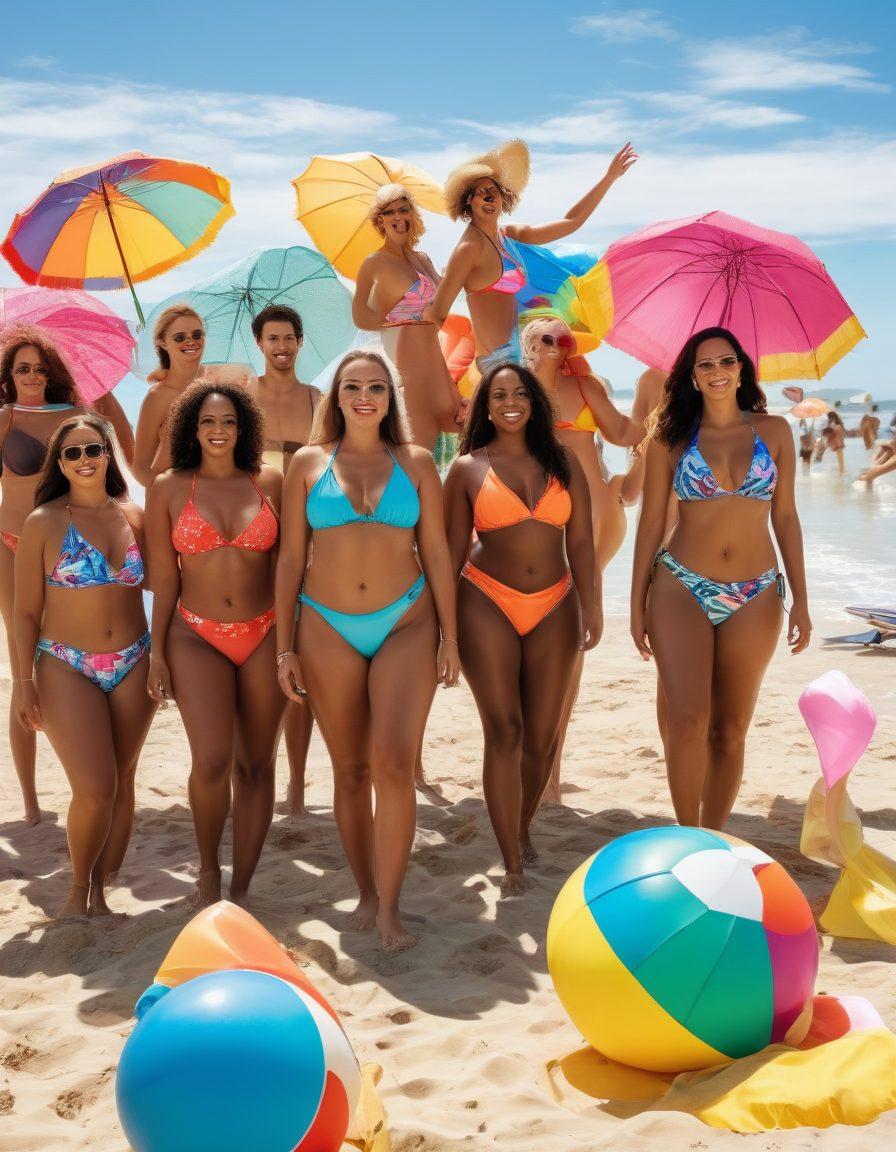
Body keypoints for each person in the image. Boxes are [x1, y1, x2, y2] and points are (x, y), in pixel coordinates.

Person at [274, 350, 459, 951]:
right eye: (352, 386)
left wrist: (449, 636)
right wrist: (284, 648)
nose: (364, 396)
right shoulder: (306, 463)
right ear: (336, 395)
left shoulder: (417, 463)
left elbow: (435, 553)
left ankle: (392, 906)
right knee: (351, 770)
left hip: (406, 619)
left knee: (393, 763)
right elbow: (288, 560)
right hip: (325, 624)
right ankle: (366, 891)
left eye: (376, 387)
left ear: (390, 398)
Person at [631, 327, 811, 830]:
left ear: (741, 369)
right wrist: (634, 603)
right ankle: (688, 833)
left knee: (730, 729)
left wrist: (801, 598)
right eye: (705, 364)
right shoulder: (671, 438)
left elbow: (788, 518)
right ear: (691, 376)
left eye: (725, 361)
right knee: (688, 720)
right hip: (680, 585)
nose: (716, 372)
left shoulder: (775, 432)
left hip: (756, 591)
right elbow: (649, 523)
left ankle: (714, 837)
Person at [444, 363, 597, 896]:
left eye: (520, 393)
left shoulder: (565, 461)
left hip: (557, 602)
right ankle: (511, 858)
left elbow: (581, 543)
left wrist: (593, 607)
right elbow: (449, 554)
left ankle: (523, 825)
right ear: (485, 406)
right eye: (499, 395)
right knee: (504, 731)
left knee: (542, 737)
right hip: (486, 600)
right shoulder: (466, 468)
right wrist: (445, 630)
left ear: (534, 401)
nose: (510, 402)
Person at [145, 382, 284, 908]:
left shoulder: (269, 480)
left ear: (243, 426)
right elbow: (164, 579)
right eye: (207, 422)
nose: (219, 431)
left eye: (228, 421)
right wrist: (157, 651)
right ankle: (207, 869)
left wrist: (291, 645)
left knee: (257, 764)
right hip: (194, 634)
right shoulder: (169, 487)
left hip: (265, 629)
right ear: (191, 429)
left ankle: (243, 884)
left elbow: (287, 570)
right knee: (211, 761)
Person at [13, 413, 154, 917]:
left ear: (108, 455)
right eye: (71, 453)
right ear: (60, 463)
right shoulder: (45, 521)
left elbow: (172, 582)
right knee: (96, 788)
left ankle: (101, 890)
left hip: (135, 659)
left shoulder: (134, 516)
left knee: (124, 781)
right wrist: (23, 682)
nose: (84, 460)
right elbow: (26, 612)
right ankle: (76, 892)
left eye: (93, 449)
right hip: (65, 664)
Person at [0, 326, 132, 825]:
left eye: (39, 367)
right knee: (22, 659)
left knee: (63, 651)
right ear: (9, 377)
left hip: (69, 550)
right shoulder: (6, 416)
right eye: (22, 368)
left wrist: (104, 390)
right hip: (11, 545)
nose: (32, 376)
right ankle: (31, 803)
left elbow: (124, 452)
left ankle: (93, 769)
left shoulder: (78, 416)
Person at [521, 316, 643, 799]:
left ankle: (549, 774)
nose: (558, 346)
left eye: (564, 339)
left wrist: (661, 413)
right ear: (529, 345)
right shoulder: (516, 392)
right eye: (547, 339)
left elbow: (622, 432)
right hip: (538, 519)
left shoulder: (585, 383)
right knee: (542, 637)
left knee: (568, 640)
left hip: (595, 515)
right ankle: (538, 762)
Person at [426, 140, 637, 373]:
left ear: (502, 196)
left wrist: (609, 177)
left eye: (493, 191)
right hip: (498, 362)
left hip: (524, 355)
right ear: (469, 200)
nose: (488, 197)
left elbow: (570, 222)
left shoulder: (508, 235)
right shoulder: (469, 248)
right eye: (481, 193)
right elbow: (437, 314)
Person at [251, 303, 322, 820]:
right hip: (248, 550)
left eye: (289, 338)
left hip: (304, 548)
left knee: (301, 669)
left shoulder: (319, 402)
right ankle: (258, 778)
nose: (281, 346)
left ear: (299, 342)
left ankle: (296, 786)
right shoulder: (241, 399)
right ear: (260, 344)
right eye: (272, 338)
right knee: (258, 673)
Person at [352, 185, 465, 451]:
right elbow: (360, 317)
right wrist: (404, 318)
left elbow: (441, 310)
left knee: (458, 434)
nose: (398, 217)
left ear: (413, 214)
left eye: (404, 209)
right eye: (389, 212)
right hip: (404, 357)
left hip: (434, 358)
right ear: (379, 221)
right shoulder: (374, 262)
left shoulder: (422, 258)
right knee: (417, 449)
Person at [133, 305, 251, 488]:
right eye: (180, 338)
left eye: (197, 335)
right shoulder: (157, 399)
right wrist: (169, 497)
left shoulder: (222, 380)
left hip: (227, 493)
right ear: (162, 343)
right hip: (180, 502)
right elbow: (141, 470)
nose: (191, 342)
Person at [820, 410, 846, 474]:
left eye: (829, 418)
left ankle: (841, 478)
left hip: (836, 447)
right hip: (837, 447)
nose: (828, 420)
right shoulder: (838, 426)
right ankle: (841, 477)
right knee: (840, 466)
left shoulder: (835, 427)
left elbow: (827, 436)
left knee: (839, 466)